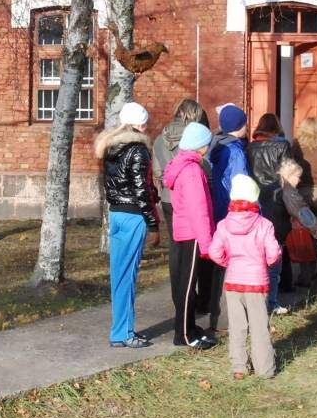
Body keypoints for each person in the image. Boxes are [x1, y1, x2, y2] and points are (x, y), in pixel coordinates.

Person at [96, 101, 159, 349]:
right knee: (128, 277)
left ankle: (120, 330)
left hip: (116, 214)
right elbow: (141, 190)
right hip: (134, 216)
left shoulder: (111, 147)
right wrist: (153, 223)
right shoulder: (138, 151)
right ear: (140, 123)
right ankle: (123, 332)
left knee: (119, 275)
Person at [208, 174, 282, 380]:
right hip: (257, 283)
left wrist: (228, 263)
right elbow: (274, 252)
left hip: (233, 282)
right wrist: (265, 263)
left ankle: (239, 366)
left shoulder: (223, 225)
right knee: (259, 326)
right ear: (255, 199)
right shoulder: (264, 224)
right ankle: (265, 369)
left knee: (237, 326)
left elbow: (214, 252)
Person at [162, 122, 217, 349]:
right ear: (200, 146)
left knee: (185, 282)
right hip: (193, 233)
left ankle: (190, 327)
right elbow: (199, 210)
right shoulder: (193, 171)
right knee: (187, 285)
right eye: (207, 142)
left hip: (185, 231)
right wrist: (207, 243)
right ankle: (183, 334)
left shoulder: (183, 164)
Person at [199, 103, 252, 334]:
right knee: (235, 265)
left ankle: (214, 314)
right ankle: (227, 319)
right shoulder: (237, 151)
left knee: (218, 265)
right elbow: (242, 183)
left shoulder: (214, 145)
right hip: (235, 211)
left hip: (218, 210)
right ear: (239, 126)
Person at [245, 113, 292, 314]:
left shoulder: (249, 147)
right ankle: (271, 301)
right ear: (277, 128)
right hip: (276, 201)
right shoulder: (283, 146)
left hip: (255, 201)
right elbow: (288, 174)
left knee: (256, 254)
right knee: (275, 254)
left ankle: (256, 300)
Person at [152, 99, 210, 236]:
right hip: (190, 197)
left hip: (167, 197)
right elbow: (206, 168)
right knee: (191, 244)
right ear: (195, 114)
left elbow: (157, 172)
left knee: (175, 244)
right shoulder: (196, 138)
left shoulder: (159, 139)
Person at [278, 158, 317, 286]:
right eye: (297, 176)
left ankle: (284, 286)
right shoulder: (289, 192)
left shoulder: (276, 185)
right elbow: (302, 211)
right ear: (288, 176)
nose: (299, 180)